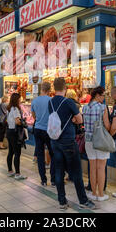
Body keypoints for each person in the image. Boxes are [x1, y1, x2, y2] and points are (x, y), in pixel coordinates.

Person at [49, 78, 96, 210]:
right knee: (76, 172)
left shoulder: (51, 102)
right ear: (65, 88)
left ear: (54, 88)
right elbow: (80, 120)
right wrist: (74, 120)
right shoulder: (68, 102)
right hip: (68, 140)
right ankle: (83, 200)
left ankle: (62, 201)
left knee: (59, 171)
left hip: (55, 140)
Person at [82, 86, 111, 202]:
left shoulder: (85, 108)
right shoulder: (102, 108)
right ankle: (100, 194)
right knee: (101, 167)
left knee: (92, 167)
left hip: (88, 140)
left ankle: (93, 193)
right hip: (100, 140)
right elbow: (107, 125)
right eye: (103, 95)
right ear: (97, 95)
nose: (104, 98)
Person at [31, 82, 55, 187]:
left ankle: (43, 180)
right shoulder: (51, 101)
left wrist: (39, 119)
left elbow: (33, 116)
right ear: (49, 90)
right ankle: (53, 179)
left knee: (40, 155)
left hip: (38, 129)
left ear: (41, 89)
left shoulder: (34, 101)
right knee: (53, 154)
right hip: (48, 130)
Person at [6, 93, 27, 180]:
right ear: (16, 100)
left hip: (9, 132)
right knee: (17, 153)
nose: (20, 100)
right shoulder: (15, 109)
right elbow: (17, 121)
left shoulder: (9, 108)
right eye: (19, 99)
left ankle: (10, 171)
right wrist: (23, 123)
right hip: (15, 133)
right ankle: (17, 174)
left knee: (11, 152)